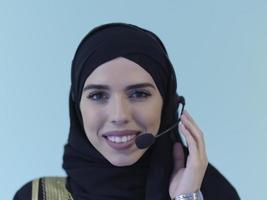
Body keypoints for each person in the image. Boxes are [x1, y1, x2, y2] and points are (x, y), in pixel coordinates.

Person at [14, 22, 240, 200]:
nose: (120, 115)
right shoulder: (36, 196)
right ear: (77, 107)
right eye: (97, 95)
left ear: (167, 103)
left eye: (139, 94)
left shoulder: (210, 192)